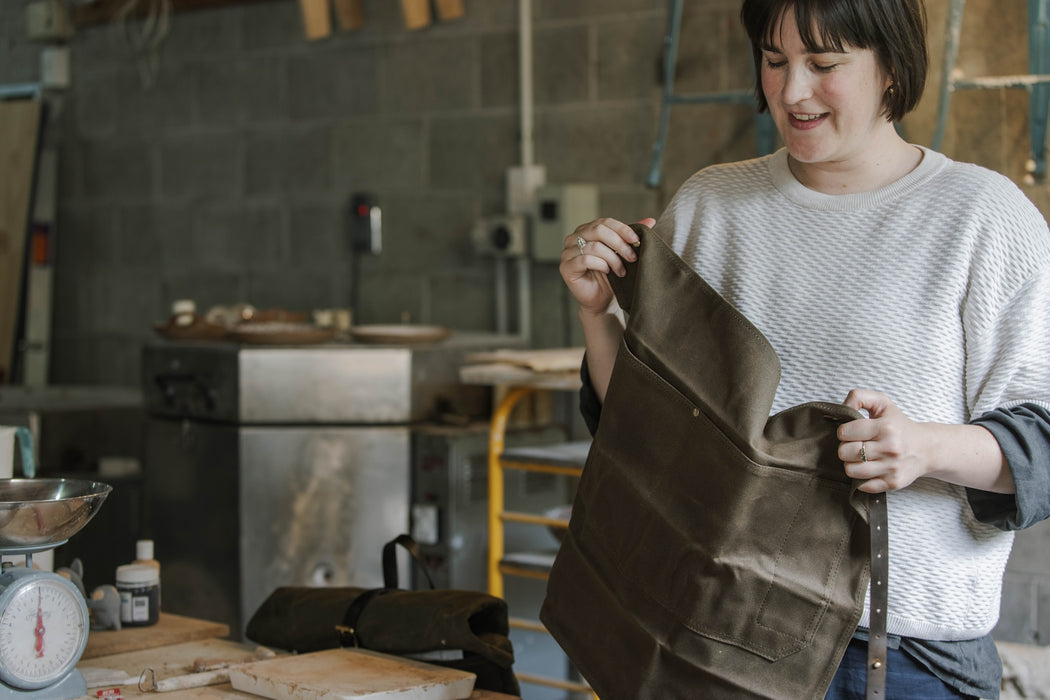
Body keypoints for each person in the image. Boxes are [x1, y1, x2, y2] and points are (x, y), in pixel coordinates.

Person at [558, 0, 1050, 697]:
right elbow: (646, 431)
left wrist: (923, 448)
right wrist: (598, 315)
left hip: (903, 657)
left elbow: (1044, 446)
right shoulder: (710, 207)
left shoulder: (984, 219)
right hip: (712, 630)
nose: (792, 92)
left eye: (824, 64)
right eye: (774, 60)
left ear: (890, 68)